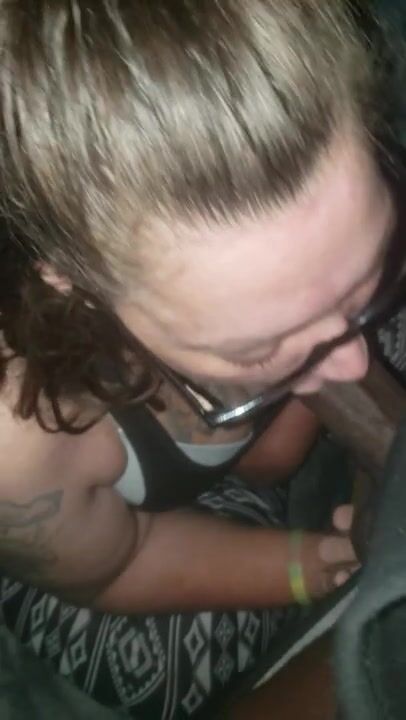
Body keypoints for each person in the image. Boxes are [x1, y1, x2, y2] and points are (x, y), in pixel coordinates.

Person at [0, 1, 401, 717]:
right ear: (77, 283)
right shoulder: (18, 444)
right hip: (119, 533)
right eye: (257, 345)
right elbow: (120, 565)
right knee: (156, 676)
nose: (353, 361)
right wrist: (326, 562)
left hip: (235, 451)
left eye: (366, 277)